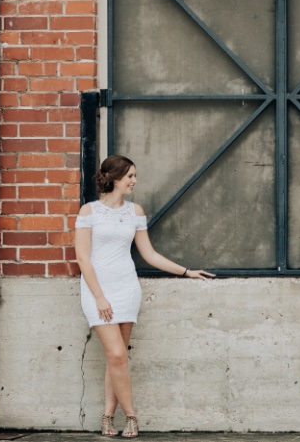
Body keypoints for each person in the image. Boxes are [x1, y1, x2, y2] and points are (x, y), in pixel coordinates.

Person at [74, 155, 215, 438]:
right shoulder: (89, 212)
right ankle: (131, 416)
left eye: (134, 176)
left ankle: (107, 416)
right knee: (116, 354)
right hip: (97, 291)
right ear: (114, 178)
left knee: (117, 358)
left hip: (127, 289)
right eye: (130, 176)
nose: (134, 181)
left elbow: (149, 254)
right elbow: (83, 258)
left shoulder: (135, 212)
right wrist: (99, 297)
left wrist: (186, 271)